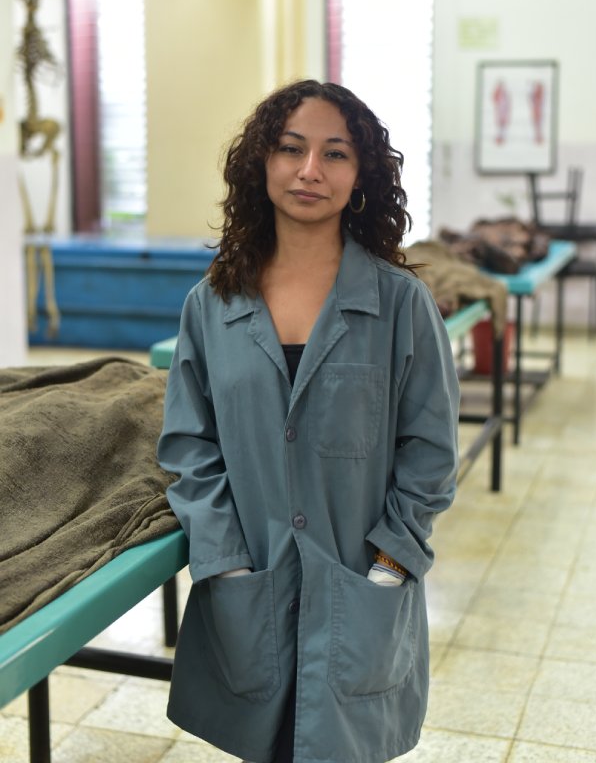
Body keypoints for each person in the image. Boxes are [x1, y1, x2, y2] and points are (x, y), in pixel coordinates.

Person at [157, 79, 459, 763]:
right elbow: (187, 447)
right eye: (291, 149)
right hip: (250, 584)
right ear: (260, 165)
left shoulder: (402, 305)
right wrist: (226, 562)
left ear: (362, 178)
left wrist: (390, 562)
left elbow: (432, 452)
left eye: (336, 154)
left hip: (361, 588)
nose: (310, 170)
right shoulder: (211, 305)